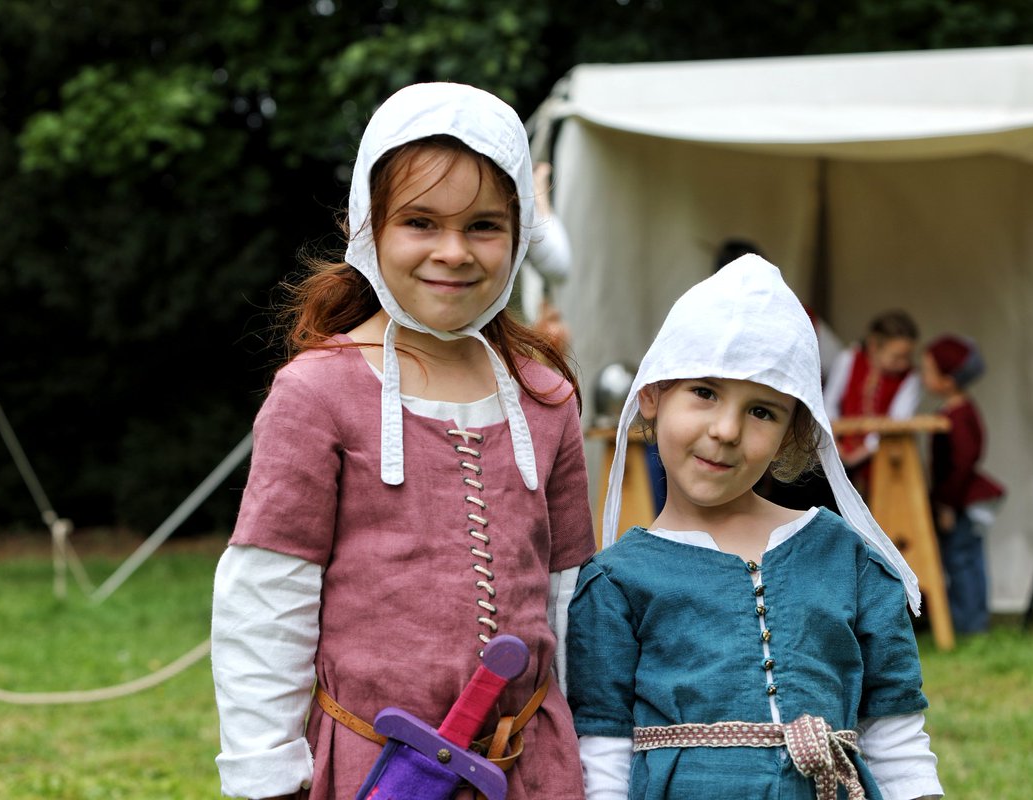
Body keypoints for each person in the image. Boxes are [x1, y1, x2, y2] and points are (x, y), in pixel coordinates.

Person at [210, 82, 597, 800]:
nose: (453, 252)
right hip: (375, 772)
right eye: (421, 222)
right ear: (369, 227)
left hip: (531, 774)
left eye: (484, 225)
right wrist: (266, 773)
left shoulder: (547, 398)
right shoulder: (316, 393)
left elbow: (571, 600)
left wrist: (596, 763)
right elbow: (267, 596)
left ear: (518, 238)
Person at [566, 255, 942, 800]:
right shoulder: (616, 583)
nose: (726, 430)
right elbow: (602, 754)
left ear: (794, 432)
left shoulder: (847, 557)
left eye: (762, 411)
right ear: (652, 393)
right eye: (704, 392)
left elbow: (896, 734)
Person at [921, 334, 1005, 635]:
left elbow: (961, 464)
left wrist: (947, 504)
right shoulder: (952, 413)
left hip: (960, 501)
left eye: (929, 371)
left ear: (948, 380)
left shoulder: (957, 417)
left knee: (962, 560)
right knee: (960, 559)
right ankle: (965, 621)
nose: (923, 376)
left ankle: (970, 624)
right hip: (957, 499)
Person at [823, 310, 922, 495]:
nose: (904, 363)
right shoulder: (849, 358)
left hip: (880, 459)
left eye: (907, 357)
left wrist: (865, 449)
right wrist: (835, 441)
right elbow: (830, 401)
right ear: (874, 346)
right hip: (837, 451)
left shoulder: (910, 379)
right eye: (897, 357)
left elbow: (896, 421)